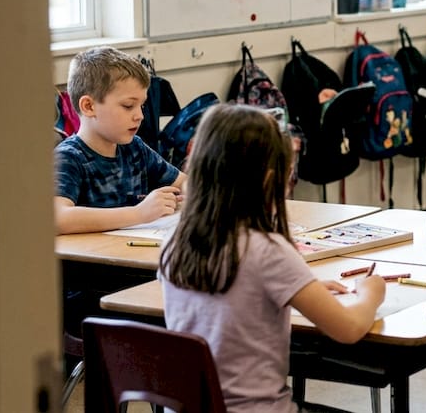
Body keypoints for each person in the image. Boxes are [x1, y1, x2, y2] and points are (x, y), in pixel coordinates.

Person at [161, 104, 384, 412]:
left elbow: (236, 297)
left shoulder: (176, 242)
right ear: (268, 181)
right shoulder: (267, 250)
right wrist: (370, 293)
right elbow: (347, 328)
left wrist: (305, 287)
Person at [54, 46, 185, 235]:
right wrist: (138, 213)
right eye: (128, 106)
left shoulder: (135, 148)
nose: (140, 115)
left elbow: (183, 182)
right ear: (89, 106)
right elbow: (57, 218)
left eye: (142, 105)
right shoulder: (68, 158)